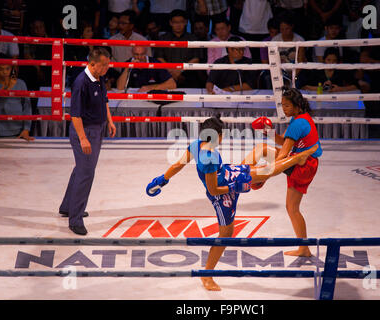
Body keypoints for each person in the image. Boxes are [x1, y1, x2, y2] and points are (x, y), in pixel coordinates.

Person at [146, 115, 318, 290]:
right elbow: (213, 191)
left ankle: (298, 158)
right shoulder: (209, 157)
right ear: (215, 135)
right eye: (222, 134)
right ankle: (207, 276)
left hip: (227, 174)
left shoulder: (197, 145)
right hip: (222, 196)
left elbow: (177, 165)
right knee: (225, 235)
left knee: (265, 170)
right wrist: (236, 187)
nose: (223, 138)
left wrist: (162, 180)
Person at [255, 87, 323, 257]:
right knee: (292, 208)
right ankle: (304, 248)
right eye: (282, 105)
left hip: (304, 166)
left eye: (286, 106)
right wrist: (268, 132)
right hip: (307, 164)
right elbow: (285, 142)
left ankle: (246, 175)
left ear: (297, 105)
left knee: (264, 150)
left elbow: (284, 153)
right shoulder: (300, 119)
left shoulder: (298, 123)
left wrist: (264, 175)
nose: (283, 109)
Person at [59, 47, 116, 236]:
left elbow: (105, 100)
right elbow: (74, 114)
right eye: (104, 65)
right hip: (85, 131)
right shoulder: (81, 82)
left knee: (81, 169)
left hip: (97, 128)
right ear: (92, 64)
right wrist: (83, 138)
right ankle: (75, 220)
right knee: (86, 174)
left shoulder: (99, 77)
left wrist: (109, 119)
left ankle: (68, 206)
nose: (107, 68)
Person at [154, 9, 204, 88]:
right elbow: (159, 58)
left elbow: (196, 59)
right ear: (170, 23)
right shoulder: (163, 38)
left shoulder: (193, 38)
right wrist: (172, 71)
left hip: (188, 76)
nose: (178, 25)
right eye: (175, 22)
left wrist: (180, 71)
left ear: (186, 22)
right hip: (167, 75)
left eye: (181, 22)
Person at [0, 54, 34, 141]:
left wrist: (26, 129)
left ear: (11, 68)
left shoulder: (20, 84)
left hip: (18, 131)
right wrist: (7, 90)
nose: (5, 72)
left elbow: (27, 108)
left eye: (7, 68)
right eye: (0, 69)